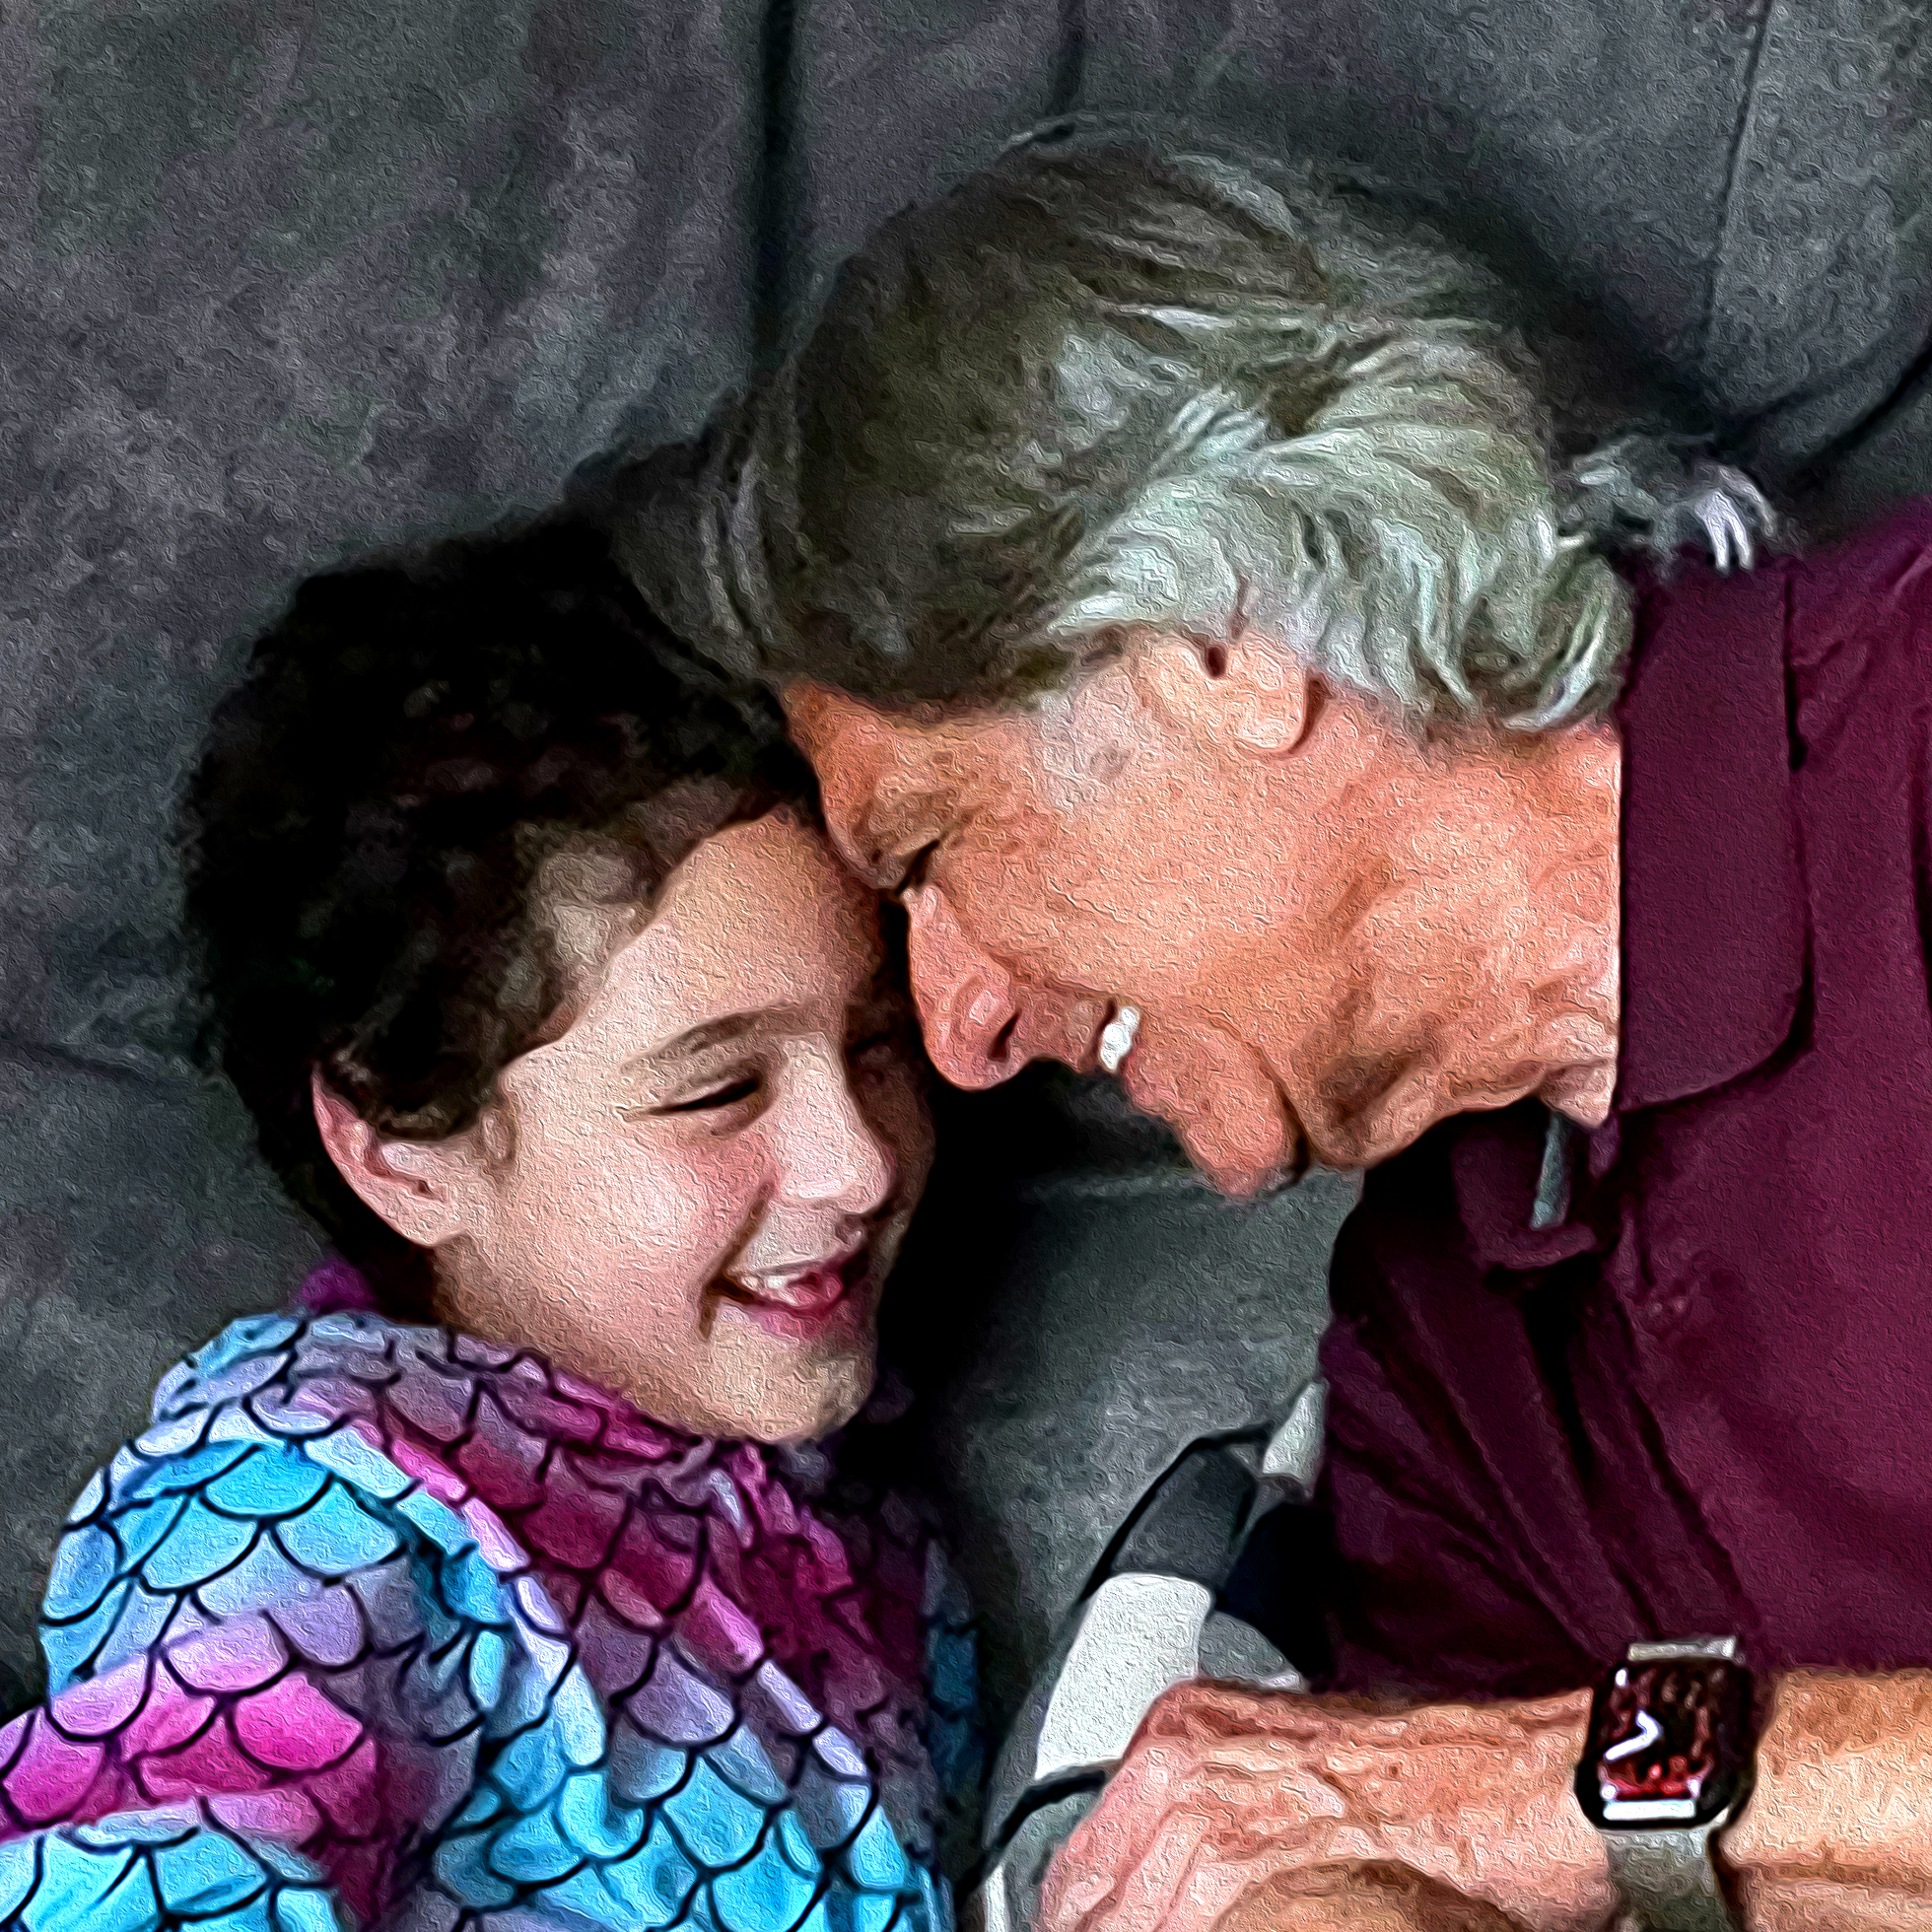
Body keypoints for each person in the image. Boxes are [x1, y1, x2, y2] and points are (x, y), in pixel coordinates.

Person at [606, 118, 1932, 1932]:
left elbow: (1491, 1803)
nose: (962, 1031)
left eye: (932, 852)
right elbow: (1361, 1865)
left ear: (1221, 648)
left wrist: (1561, 1787)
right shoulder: (1445, 1345)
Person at [0, 518, 977, 1932]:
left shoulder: (861, 1502)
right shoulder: (309, 1495)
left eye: (879, 1045)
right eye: (718, 1089)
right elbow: (140, 1876)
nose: (860, 1161)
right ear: (406, 1150)